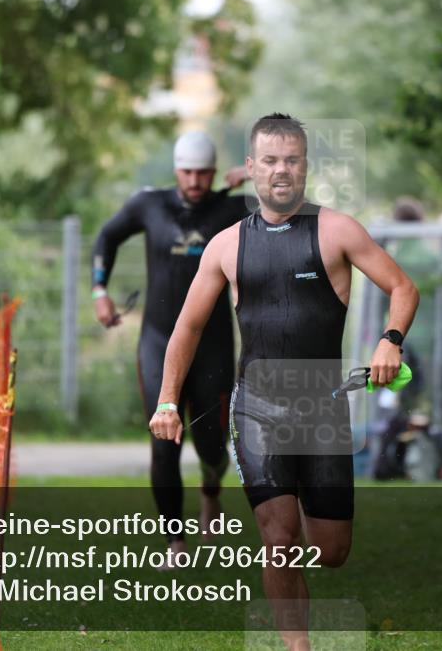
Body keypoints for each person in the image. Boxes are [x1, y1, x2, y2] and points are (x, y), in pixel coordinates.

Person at [150, 114, 418, 650]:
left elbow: (402, 287)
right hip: (258, 408)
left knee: (330, 550)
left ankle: (298, 510)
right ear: (250, 168)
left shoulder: (337, 230)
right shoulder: (227, 245)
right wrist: (167, 401)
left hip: (322, 408)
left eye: (291, 160)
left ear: (305, 167)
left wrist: (390, 339)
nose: (281, 170)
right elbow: (188, 327)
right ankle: (298, 646)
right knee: (278, 538)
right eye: (269, 161)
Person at [91, 131, 250, 564]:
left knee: (214, 444)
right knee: (163, 442)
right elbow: (106, 237)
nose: (196, 180)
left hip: (214, 344)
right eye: (188, 171)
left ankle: (211, 489)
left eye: (204, 172)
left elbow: (294, 205)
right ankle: (175, 543)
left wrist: (255, 171)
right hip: (159, 342)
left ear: (215, 171)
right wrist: (99, 291)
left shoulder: (233, 208)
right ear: (176, 170)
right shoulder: (150, 204)